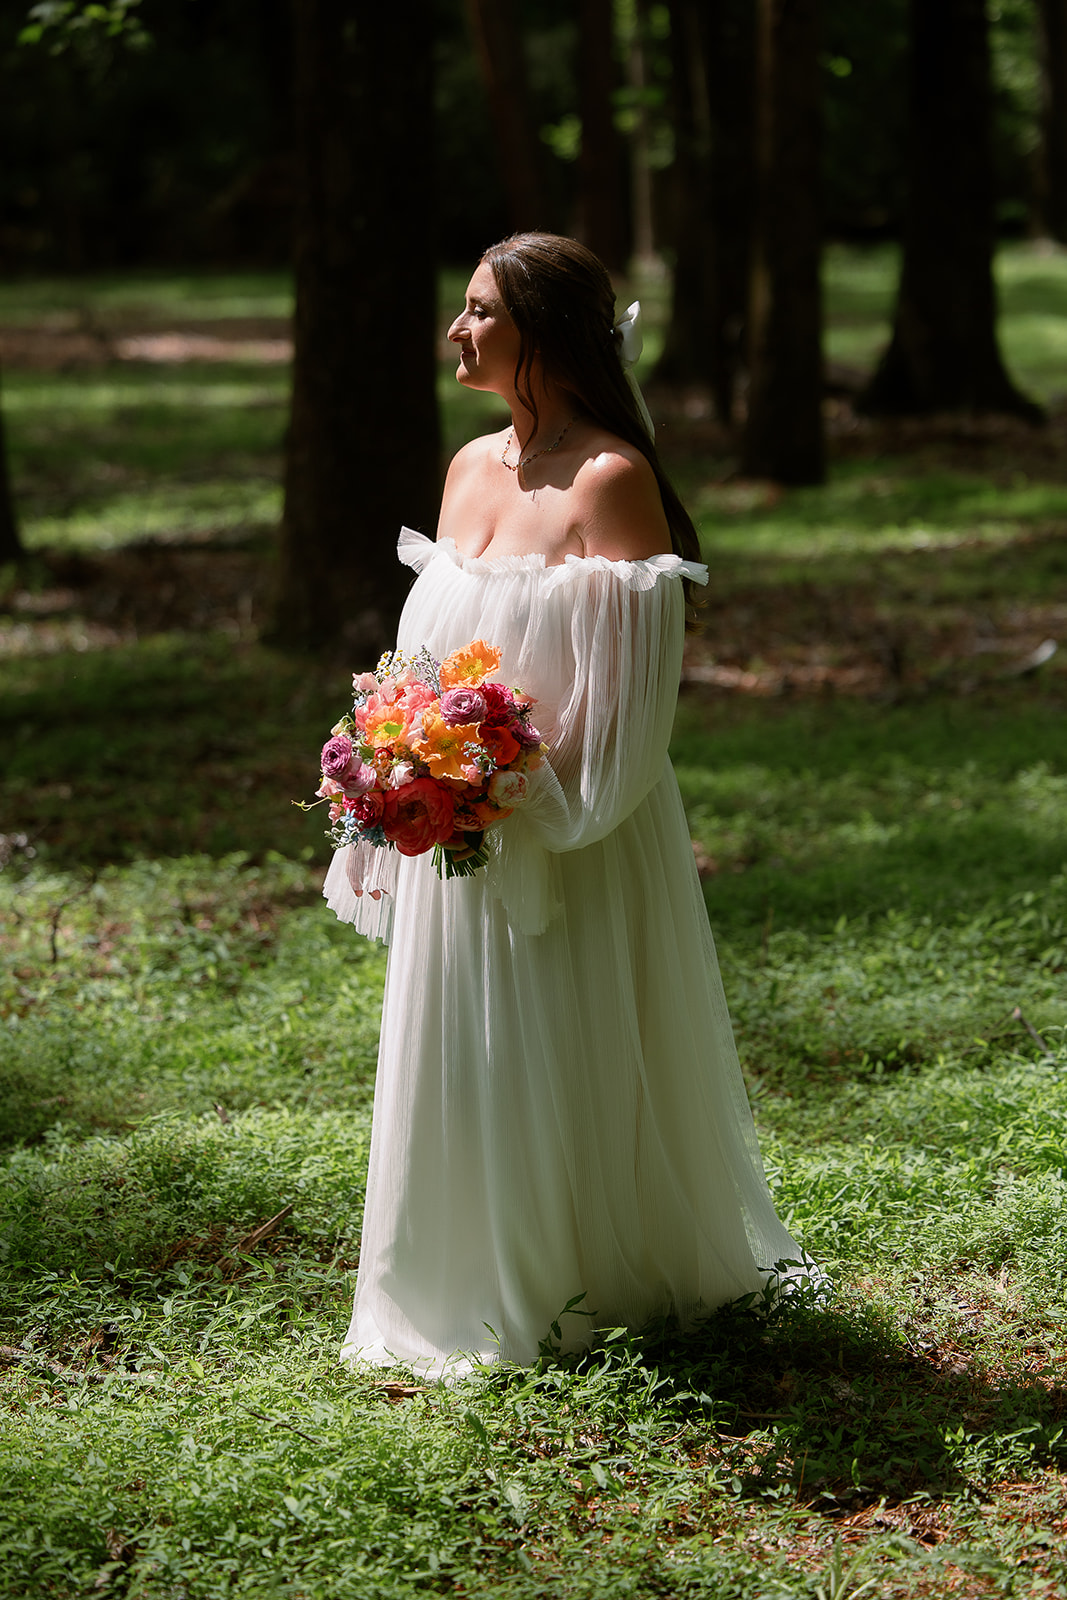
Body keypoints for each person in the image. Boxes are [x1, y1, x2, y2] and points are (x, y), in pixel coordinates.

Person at [324, 232, 807, 1379]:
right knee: (465, 1051)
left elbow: (629, 712)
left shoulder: (611, 484)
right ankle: (453, 1282)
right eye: (463, 308)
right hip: (458, 835)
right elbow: (422, 666)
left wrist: (501, 792)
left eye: (482, 311)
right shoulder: (462, 468)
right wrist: (401, 767)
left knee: (555, 1039)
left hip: (573, 832)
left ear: (545, 333)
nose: (457, 329)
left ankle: (580, 1282)